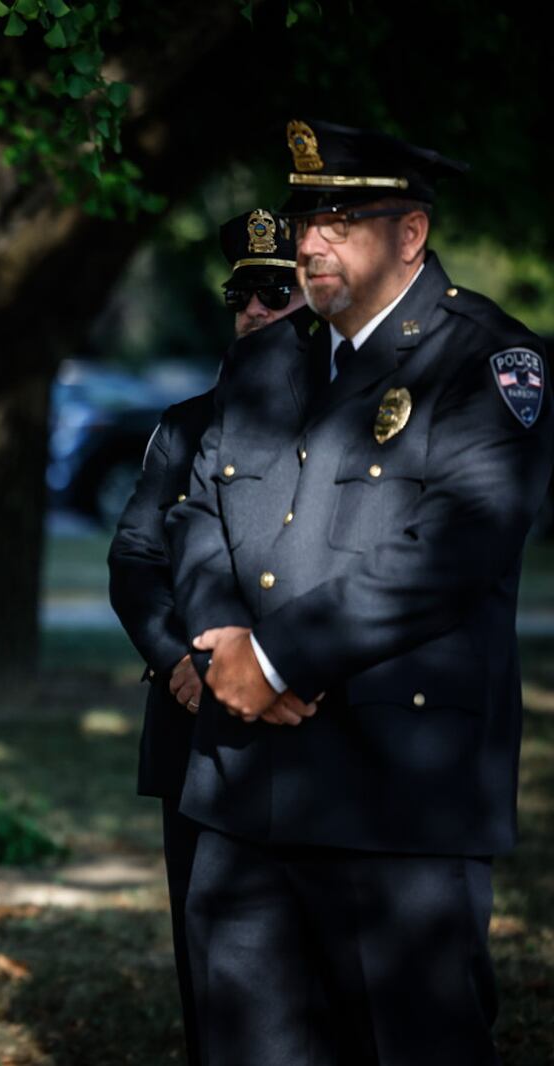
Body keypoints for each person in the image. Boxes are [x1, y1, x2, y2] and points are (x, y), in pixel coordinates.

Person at [168, 119, 554, 1064]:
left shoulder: (488, 364)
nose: (308, 242)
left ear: (411, 235)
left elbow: (454, 554)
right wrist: (224, 640)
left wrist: (276, 657)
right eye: (305, 216)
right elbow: (196, 515)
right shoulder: (268, 359)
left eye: (340, 219)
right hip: (246, 787)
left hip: (398, 801)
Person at [107, 206, 302, 1066]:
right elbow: (135, 558)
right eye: (242, 293)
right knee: (213, 975)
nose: (256, 307)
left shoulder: (347, 419)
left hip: (306, 722)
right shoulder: (185, 424)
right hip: (198, 730)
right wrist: (178, 657)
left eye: (277, 289)